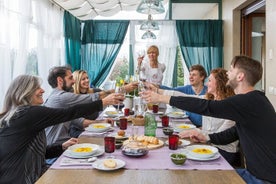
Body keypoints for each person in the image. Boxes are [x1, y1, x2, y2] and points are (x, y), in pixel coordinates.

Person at [142, 55, 276, 183]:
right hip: (253, 173)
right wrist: (208, 138)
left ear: (240, 76)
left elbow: (207, 107)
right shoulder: (254, 100)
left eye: (230, 70)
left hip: (263, 179)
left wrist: (161, 98)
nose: (228, 73)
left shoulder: (248, 101)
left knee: (197, 177)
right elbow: (234, 133)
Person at [0, 75, 123, 184]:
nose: (42, 90)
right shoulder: (28, 113)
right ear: (25, 92)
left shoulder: (19, 115)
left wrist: (61, 147)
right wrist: (102, 103)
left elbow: (36, 154)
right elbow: (69, 113)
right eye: (37, 87)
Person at [152, 68, 239, 166]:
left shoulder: (231, 106)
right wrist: (158, 92)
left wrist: (197, 132)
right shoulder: (208, 99)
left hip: (224, 152)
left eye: (210, 81)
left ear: (219, 83)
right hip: (207, 145)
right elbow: (185, 97)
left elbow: (221, 136)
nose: (206, 84)